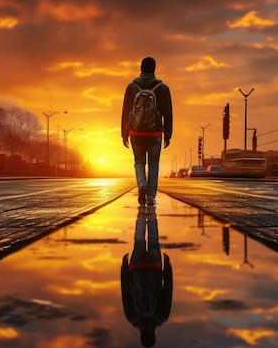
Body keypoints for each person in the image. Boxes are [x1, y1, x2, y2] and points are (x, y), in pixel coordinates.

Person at [122, 57, 173, 205]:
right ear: (154, 69)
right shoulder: (162, 88)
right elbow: (168, 113)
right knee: (153, 164)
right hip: (155, 132)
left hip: (135, 132)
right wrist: (168, 134)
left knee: (139, 162)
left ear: (141, 68)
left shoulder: (131, 87)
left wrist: (124, 134)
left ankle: (141, 185)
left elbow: (125, 111)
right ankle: (151, 196)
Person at [121, 206, 173, 347]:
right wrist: (124, 268)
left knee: (154, 240)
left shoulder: (161, 317)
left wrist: (168, 268)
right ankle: (141, 213)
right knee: (138, 241)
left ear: (153, 335)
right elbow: (125, 291)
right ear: (141, 336)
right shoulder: (132, 317)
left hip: (154, 268)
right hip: (136, 268)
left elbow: (167, 289)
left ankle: (150, 212)